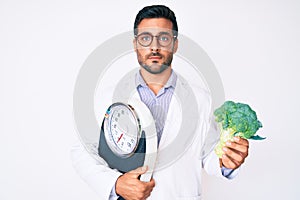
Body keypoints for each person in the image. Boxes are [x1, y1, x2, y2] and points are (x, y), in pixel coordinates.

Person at [71, 5, 249, 200]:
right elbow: (83, 152)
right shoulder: (109, 97)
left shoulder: (200, 98)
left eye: (163, 38)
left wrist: (226, 161)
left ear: (175, 44)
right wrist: (116, 184)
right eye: (145, 38)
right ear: (135, 44)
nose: (154, 47)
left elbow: (208, 156)